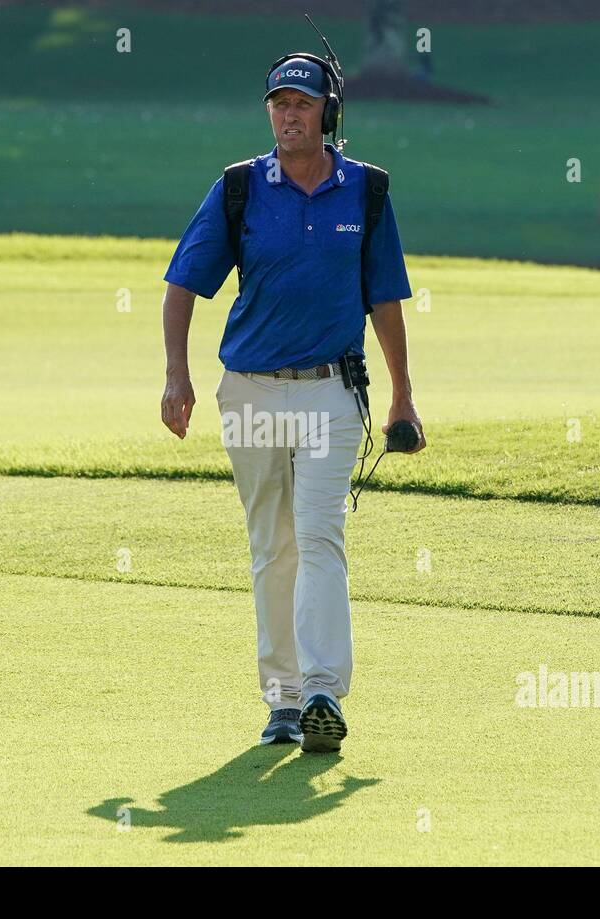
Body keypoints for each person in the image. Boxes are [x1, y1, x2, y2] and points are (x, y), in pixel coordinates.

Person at [159, 53, 425, 753]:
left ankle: (321, 691)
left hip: (333, 392)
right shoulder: (239, 188)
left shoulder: (365, 192)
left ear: (328, 115)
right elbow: (184, 282)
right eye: (278, 103)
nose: (288, 115)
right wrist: (175, 377)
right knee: (272, 548)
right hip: (248, 391)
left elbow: (385, 299)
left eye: (302, 104)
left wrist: (403, 396)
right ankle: (280, 700)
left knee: (319, 538)